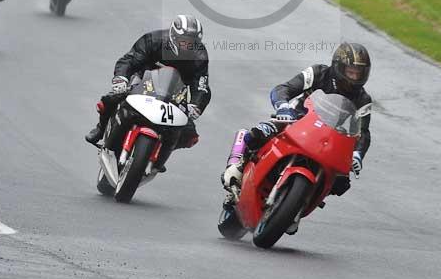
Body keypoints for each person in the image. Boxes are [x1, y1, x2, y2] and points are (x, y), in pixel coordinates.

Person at [222, 42, 372, 207]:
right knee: (261, 132)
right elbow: (283, 89)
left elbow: (363, 132)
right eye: (350, 72)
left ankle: (305, 202)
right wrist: (283, 107)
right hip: (297, 119)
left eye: (358, 73)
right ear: (338, 67)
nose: (354, 77)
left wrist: (358, 155)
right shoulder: (318, 73)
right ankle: (238, 165)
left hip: (330, 137)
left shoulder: (363, 99)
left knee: (341, 181)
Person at [85, 15, 211, 156]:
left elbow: (201, 85)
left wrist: (196, 105)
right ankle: (101, 129)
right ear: (173, 37)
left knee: (190, 135)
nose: (187, 46)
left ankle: (160, 151)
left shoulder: (200, 55)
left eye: (192, 42)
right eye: (183, 41)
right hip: (144, 80)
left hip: (175, 92)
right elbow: (130, 59)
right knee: (110, 100)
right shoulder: (154, 40)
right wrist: (121, 78)